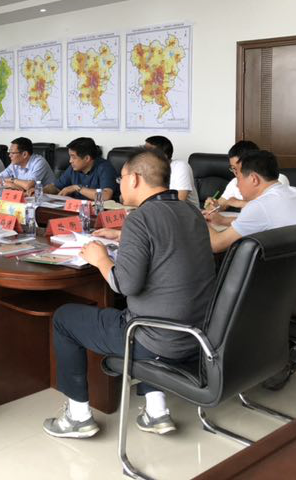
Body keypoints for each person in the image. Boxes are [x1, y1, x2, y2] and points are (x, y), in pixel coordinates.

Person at [43, 148, 216, 439]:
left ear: (134, 179)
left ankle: (78, 417)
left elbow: (125, 285)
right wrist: (124, 237)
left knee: (64, 318)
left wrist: (100, 259)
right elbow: (168, 245)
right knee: (151, 305)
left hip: (153, 338)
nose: (120, 184)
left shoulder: (140, 218)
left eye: (121, 178)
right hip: (197, 335)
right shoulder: (190, 212)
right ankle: (156, 411)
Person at [205, 150, 296, 390]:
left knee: (227, 286)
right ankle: (277, 353)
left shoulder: (260, 206)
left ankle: (256, 360)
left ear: (254, 179)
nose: (236, 185)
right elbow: (260, 219)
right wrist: (221, 222)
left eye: (238, 178)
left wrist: (196, 220)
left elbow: (216, 244)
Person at [203, 140, 290, 219]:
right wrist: (212, 205)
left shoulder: (275, 179)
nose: (235, 172)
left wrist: (238, 203)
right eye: (233, 168)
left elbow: (271, 209)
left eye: (238, 168)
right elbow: (221, 205)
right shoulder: (234, 183)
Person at [45, 137, 116, 201]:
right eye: (70, 157)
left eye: (73, 157)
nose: (70, 161)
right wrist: (42, 191)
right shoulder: (73, 168)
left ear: (87, 158)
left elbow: (106, 196)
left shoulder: (105, 168)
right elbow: (56, 187)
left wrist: (76, 188)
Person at [145, 135, 199, 209]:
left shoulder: (180, 166)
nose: (143, 154)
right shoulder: (149, 169)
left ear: (164, 155)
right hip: (159, 210)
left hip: (186, 213)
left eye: (149, 151)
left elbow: (179, 201)